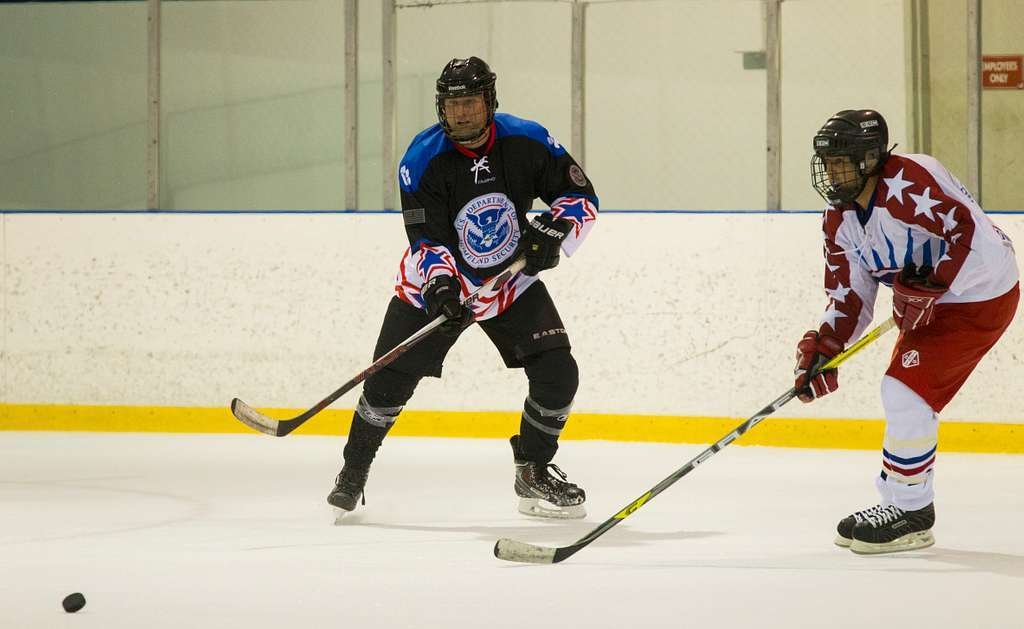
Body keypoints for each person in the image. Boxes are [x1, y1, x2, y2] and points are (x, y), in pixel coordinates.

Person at [327, 56, 599, 519]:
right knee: (389, 384)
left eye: (471, 102)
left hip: (508, 279)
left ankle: (532, 469)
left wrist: (552, 232)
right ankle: (353, 470)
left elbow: (580, 197)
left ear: (489, 101)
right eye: (453, 105)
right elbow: (427, 237)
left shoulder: (527, 139)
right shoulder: (421, 159)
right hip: (435, 287)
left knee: (558, 373)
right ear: (441, 108)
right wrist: (441, 287)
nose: (462, 114)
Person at [796, 109, 1018, 554]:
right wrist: (826, 347)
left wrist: (934, 283)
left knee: (904, 392)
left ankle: (912, 512)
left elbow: (980, 241)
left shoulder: (913, 179)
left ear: (873, 158)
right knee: (901, 393)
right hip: (931, 303)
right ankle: (898, 500)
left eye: (844, 161)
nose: (834, 172)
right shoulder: (838, 220)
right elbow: (849, 298)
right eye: (829, 162)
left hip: (979, 295)